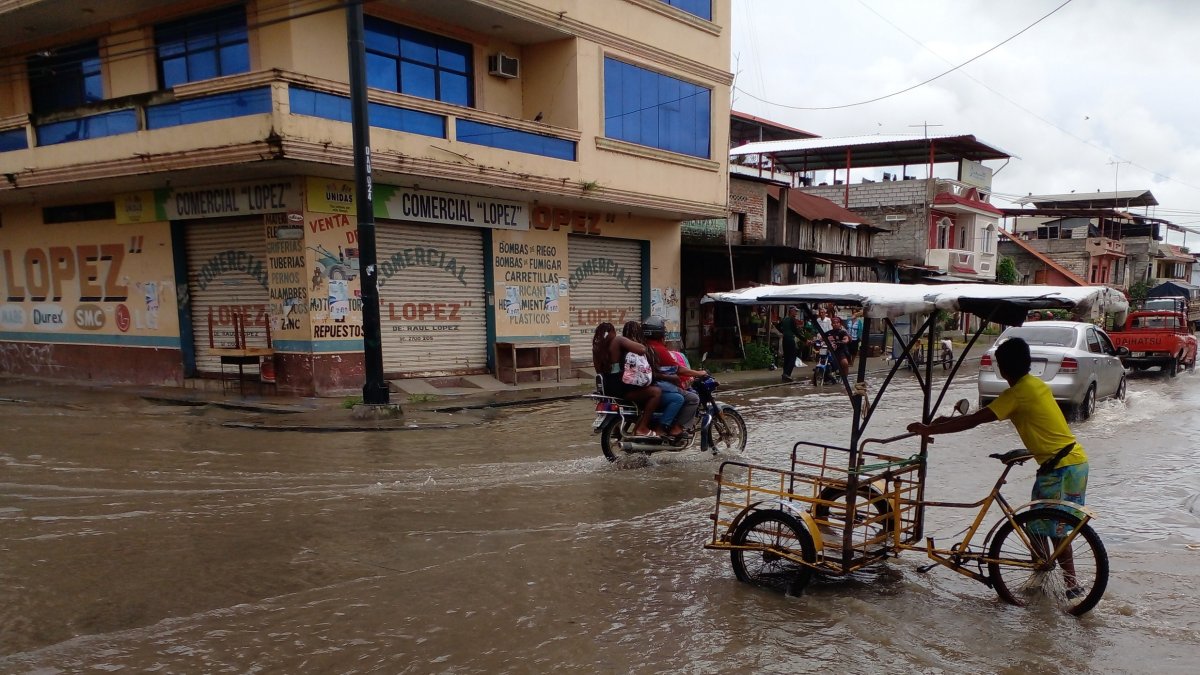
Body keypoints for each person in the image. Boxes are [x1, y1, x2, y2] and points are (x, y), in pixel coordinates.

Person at [906, 336, 1088, 596]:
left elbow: (975, 420)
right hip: (1074, 462)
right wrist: (943, 422)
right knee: (1046, 526)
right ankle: (1044, 579)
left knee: (1050, 528)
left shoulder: (1016, 394)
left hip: (1060, 467)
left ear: (1002, 368)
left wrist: (928, 430)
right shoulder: (1034, 384)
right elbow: (984, 416)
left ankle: (1070, 584)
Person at [592, 321, 661, 438]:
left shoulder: (597, 349)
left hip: (608, 389)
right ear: (612, 332)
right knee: (656, 392)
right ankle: (642, 428)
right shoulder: (618, 340)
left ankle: (618, 428)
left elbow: (598, 371)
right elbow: (642, 349)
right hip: (621, 388)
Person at [642, 316, 708, 437]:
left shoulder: (644, 346)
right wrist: (699, 373)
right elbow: (679, 369)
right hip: (657, 386)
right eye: (663, 329)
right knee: (692, 398)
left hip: (648, 385)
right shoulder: (659, 349)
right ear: (659, 332)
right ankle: (673, 428)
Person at [622, 320, 686, 438]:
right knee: (677, 398)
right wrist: (669, 377)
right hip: (638, 390)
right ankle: (660, 429)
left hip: (627, 389)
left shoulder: (622, 349)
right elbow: (650, 373)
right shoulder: (641, 350)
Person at [776, 306, 802, 382]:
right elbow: (796, 332)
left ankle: (785, 374)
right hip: (790, 339)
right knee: (792, 358)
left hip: (785, 339)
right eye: (795, 311)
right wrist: (805, 340)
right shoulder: (792, 320)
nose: (796, 313)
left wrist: (783, 332)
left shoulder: (785, 319)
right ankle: (787, 374)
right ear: (791, 311)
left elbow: (777, 326)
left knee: (787, 357)